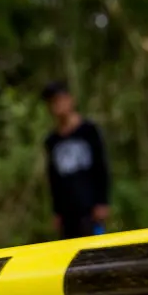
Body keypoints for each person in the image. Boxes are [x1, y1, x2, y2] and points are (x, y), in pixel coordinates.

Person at [40, 80, 111, 239]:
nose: (57, 106)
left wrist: (102, 201)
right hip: (67, 212)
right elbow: (53, 178)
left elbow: (101, 166)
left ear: (70, 99)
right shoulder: (52, 141)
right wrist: (56, 211)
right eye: (52, 103)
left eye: (59, 100)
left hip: (90, 206)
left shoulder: (89, 131)